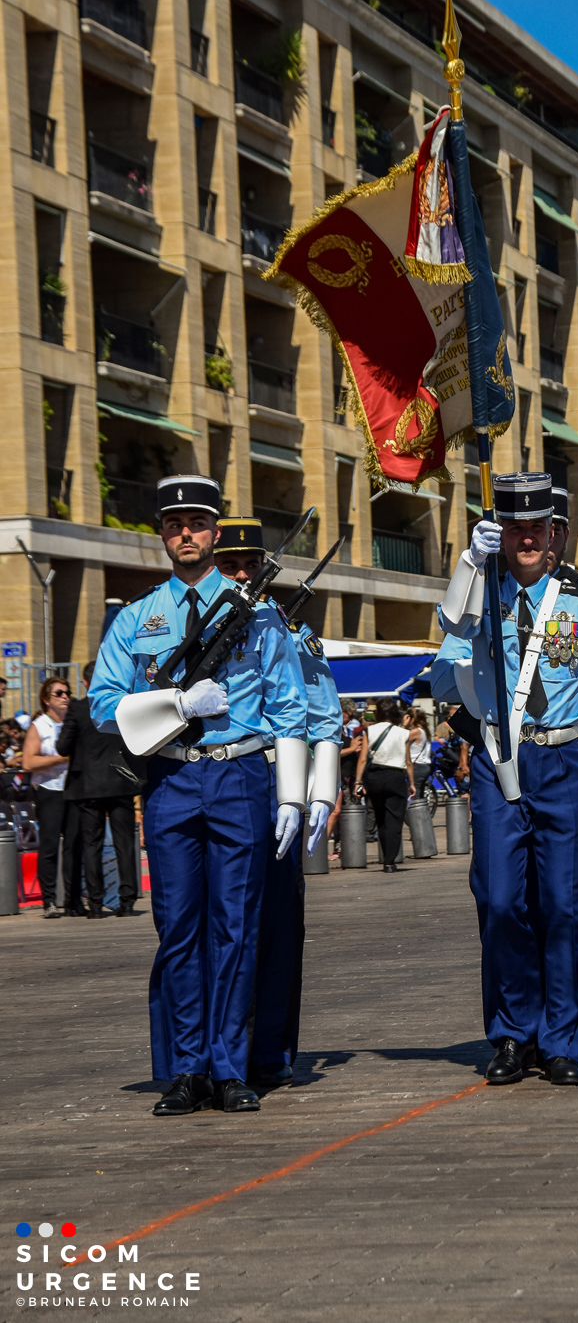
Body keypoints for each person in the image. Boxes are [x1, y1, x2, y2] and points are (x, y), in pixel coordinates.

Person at [89, 476, 309, 1116]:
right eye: (174, 523)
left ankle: (230, 1066)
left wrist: (291, 796)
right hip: (171, 778)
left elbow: (289, 708)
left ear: (215, 532)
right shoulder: (138, 616)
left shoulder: (260, 613)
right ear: (163, 533)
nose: (185, 533)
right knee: (178, 928)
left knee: (235, 927)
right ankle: (186, 1068)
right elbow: (104, 702)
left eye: (197, 522)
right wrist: (177, 702)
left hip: (240, 774)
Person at [437, 471, 578, 1087]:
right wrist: (471, 565)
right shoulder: (479, 595)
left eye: (538, 529)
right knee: (499, 901)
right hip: (501, 758)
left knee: (566, 906)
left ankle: (565, 1039)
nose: (527, 539)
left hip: (567, 760)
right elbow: (447, 652)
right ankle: (511, 1033)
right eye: (515, 528)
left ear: (557, 534)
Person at [212, 516, 342, 1088]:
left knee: (277, 922)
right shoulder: (188, 626)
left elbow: (324, 717)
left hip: (273, 779)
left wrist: (320, 792)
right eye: (228, 564)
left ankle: (268, 1049)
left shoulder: (287, 631)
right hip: (211, 781)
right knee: (216, 924)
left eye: (249, 564)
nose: (241, 573)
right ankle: (214, 1052)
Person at [55, 660, 144, 918]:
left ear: (84, 683)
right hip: (120, 781)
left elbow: (62, 747)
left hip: (88, 786)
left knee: (91, 844)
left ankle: (95, 903)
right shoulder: (123, 704)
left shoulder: (78, 708)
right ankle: (126, 902)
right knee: (125, 844)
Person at [21, 676, 79, 919]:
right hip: (48, 790)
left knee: (75, 846)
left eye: (67, 692)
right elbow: (28, 761)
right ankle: (49, 900)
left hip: (74, 789)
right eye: (59, 693)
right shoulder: (40, 726)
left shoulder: (73, 722)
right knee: (50, 845)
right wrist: (61, 758)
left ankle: (73, 900)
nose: (65, 696)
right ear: (47, 700)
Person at [354, 697, 415, 872]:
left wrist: (358, 781)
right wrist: (411, 782)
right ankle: (390, 861)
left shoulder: (369, 731)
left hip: (374, 777)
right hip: (395, 776)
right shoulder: (403, 733)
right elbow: (408, 762)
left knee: (381, 818)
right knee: (395, 819)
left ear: (378, 712)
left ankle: (386, 857)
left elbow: (363, 758)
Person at [405, 707, 433, 796]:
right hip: (423, 765)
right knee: (419, 794)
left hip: (417, 765)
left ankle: (416, 810)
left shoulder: (415, 731)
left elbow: (399, 739)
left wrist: (404, 725)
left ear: (412, 719)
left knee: (414, 795)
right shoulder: (424, 731)